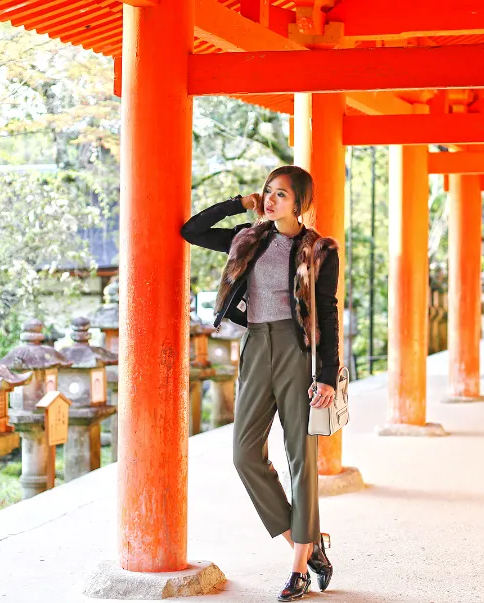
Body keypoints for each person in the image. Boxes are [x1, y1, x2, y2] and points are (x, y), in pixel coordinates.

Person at [180, 165, 340, 601]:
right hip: (255, 347)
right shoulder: (247, 238)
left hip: (296, 350)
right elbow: (191, 230)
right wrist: (240, 202)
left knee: (300, 458)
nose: (271, 200)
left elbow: (327, 312)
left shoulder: (320, 249)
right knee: (244, 455)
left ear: (300, 203)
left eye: (281, 195)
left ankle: (297, 570)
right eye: (268, 192)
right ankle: (309, 549)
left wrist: (327, 375)